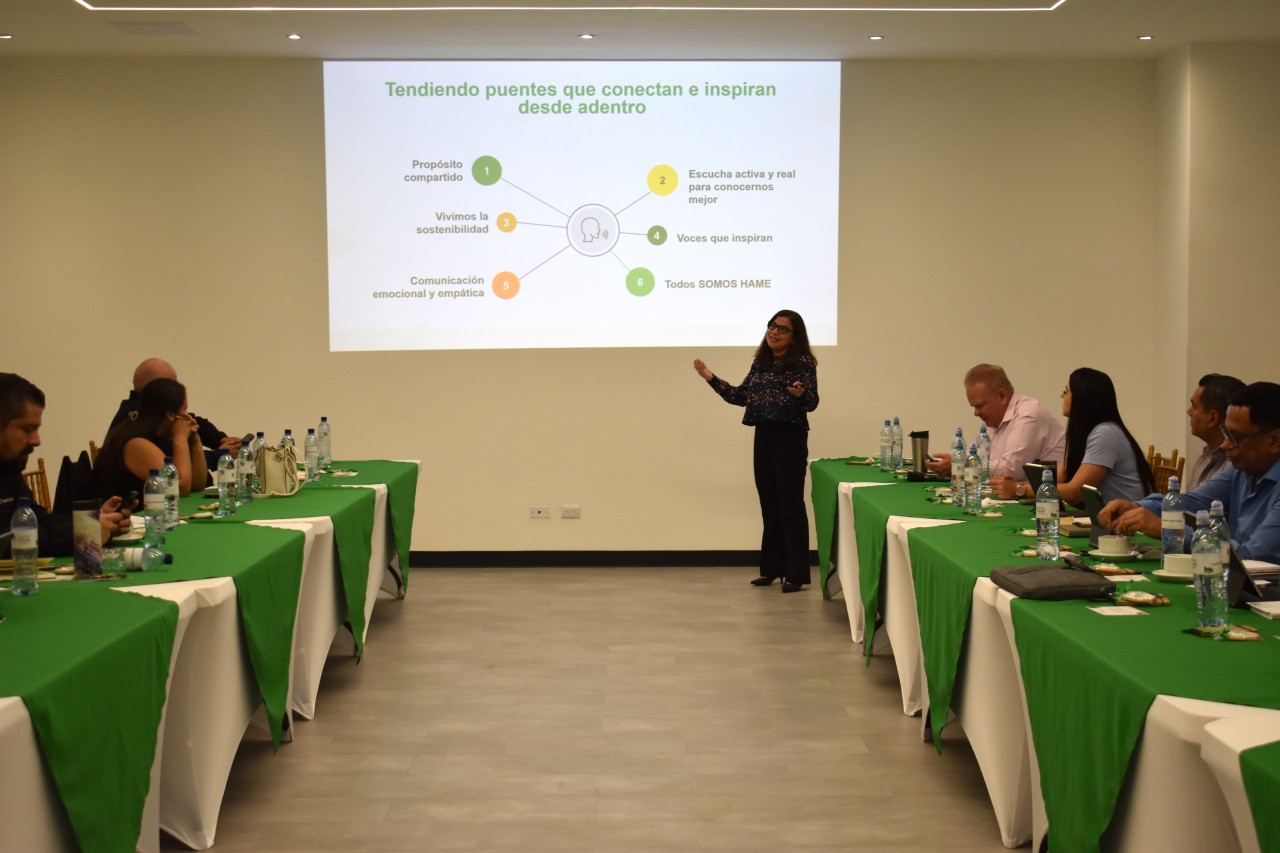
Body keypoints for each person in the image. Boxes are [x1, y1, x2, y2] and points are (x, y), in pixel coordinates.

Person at [694, 310, 819, 593]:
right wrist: (710, 378)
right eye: (772, 326)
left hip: (789, 436)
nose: (774, 332)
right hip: (763, 434)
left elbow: (812, 401)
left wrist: (800, 393)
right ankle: (772, 569)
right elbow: (740, 396)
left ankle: (796, 573)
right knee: (769, 504)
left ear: (794, 336)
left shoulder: (802, 362)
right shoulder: (761, 362)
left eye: (783, 329)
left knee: (790, 505)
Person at [1100, 381, 1280, 564]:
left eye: (1236, 437)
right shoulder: (1240, 469)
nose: (1226, 444)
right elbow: (1194, 502)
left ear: (1275, 440)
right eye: (1225, 433)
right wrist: (1136, 508)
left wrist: (1170, 530)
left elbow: (1251, 555)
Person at [0, 373, 130, 557]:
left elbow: (37, 519)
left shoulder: (8, 469)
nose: (37, 440)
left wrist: (92, 520)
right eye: (28, 429)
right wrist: (84, 532)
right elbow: (10, 542)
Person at [926, 363, 1066, 499]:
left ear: (1002, 396)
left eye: (980, 406)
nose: (975, 413)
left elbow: (1011, 470)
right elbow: (979, 458)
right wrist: (955, 462)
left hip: (1050, 502)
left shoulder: (1028, 414)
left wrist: (960, 465)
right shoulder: (994, 420)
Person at [94, 377, 209, 504]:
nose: (188, 416)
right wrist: (180, 438)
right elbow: (179, 488)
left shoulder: (161, 436)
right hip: (133, 514)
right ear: (170, 415)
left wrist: (195, 440)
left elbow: (197, 486)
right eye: (185, 409)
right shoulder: (135, 443)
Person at [108, 358, 241, 468]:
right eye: (172, 384)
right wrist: (219, 455)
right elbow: (174, 468)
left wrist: (219, 440)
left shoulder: (150, 411)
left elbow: (193, 421)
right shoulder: (139, 425)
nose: (185, 416)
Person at [1053, 367, 1154, 506]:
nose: (1062, 396)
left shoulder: (1106, 433)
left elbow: (1075, 493)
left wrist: (1025, 490)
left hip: (1126, 517)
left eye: (1066, 392)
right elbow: (1059, 476)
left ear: (1081, 398)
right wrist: (1025, 486)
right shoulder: (1087, 433)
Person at [1184, 373, 1246, 490]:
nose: (1189, 412)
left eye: (1194, 406)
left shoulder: (1235, 465)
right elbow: (1190, 499)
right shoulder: (1204, 457)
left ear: (1212, 418)